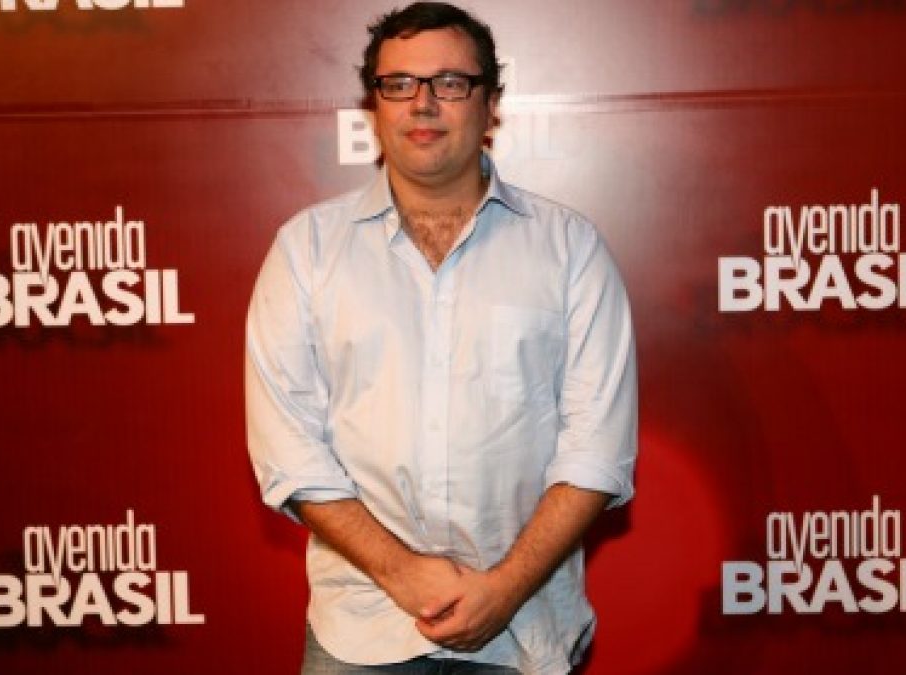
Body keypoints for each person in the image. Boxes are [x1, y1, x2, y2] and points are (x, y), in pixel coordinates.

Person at [245, 3, 637, 673]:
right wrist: (401, 572)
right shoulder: (306, 251)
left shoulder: (570, 249)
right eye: (399, 83)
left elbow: (597, 449)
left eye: (450, 83)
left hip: (526, 629)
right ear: (374, 107)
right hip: (362, 629)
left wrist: (505, 587)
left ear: (491, 105)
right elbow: (289, 450)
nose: (422, 103)